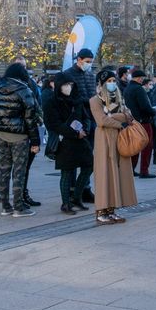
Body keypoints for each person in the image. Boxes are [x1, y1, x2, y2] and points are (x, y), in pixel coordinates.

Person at [0, 63, 41, 217]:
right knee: (18, 172)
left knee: (4, 170)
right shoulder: (24, 90)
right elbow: (30, 118)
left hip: (1, 134)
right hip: (19, 136)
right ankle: (18, 207)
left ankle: (6, 206)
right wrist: (35, 141)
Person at [89, 70, 137, 224]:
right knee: (105, 173)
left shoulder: (120, 99)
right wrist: (119, 121)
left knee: (118, 173)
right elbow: (101, 121)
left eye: (113, 80)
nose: (112, 83)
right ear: (102, 83)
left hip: (120, 138)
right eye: (108, 80)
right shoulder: (95, 100)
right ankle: (101, 210)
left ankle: (112, 209)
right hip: (104, 139)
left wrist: (115, 118)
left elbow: (129, 116)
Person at [43, 71, 93, 214]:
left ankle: (76, 197)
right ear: (59, 85)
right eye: (65, 84)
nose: (68, 87)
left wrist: (85, 130)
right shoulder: (51, 102)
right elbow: (54, 124)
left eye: (70, 84)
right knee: (67, 172)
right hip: (65, 141)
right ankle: (66, 203)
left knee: (89, 166)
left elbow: (86, 117)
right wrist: (75, 133)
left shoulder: (77, 99)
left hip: (81, 139)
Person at [62, 48, 97, 203]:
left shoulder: (90, 75)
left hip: (90, 119)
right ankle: (71, 191)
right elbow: (67, 99)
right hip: (75, 120)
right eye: (87, 61)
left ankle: (84, 189)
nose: (89, 64)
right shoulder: (68, 74)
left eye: (91, 61)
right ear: (79, 59)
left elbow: (92, 95)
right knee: (73, 159)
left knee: (87, 158)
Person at [123, 69, 156, 179]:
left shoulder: (127, 89)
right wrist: (153, 111)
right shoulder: (139, 89)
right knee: (147, 146)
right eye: (142, 78)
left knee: (135, 146)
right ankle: (144, 171)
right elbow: (145, 106)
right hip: (143, 122)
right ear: (139, 78)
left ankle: (131, 169)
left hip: (132, 121)